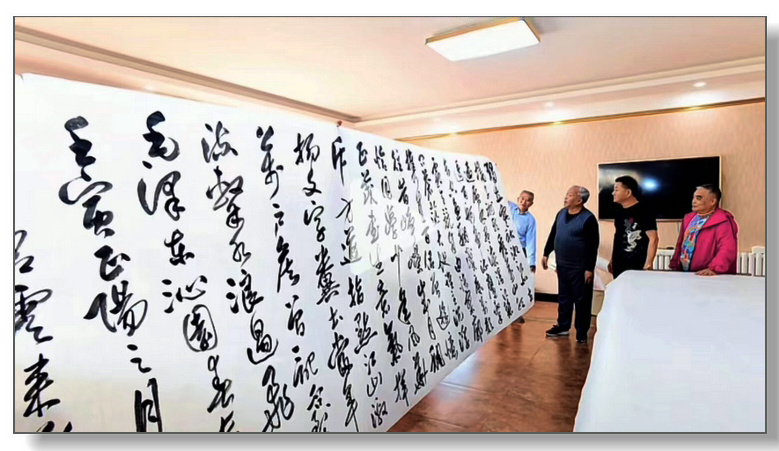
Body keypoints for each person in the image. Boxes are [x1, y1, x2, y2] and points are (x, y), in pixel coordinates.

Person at [541, 186, 599, 344]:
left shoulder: (588, 219)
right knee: (564, 298)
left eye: (570, 195)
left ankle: (581, 332)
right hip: (562, 264)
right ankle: (563, 326)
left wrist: (589, 268)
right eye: (567, 194)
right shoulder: (561, 213)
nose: (566, 197)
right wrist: (546, 253)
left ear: (579, 200)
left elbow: (592, 246)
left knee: (582, 301)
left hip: (580, 268)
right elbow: (554, 234)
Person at [669, 184, 738, 276]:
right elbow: (680, 243)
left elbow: (727, 248)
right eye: (693, 198)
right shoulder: (688, 218)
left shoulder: (722, 220)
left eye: (699, 198)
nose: (693, 201)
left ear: (712, 201)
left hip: (709, 276)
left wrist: (714, 269)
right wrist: (675, 264)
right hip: (686, 274)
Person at [609, 175, 659, 278]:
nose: (613, 193)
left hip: (638, 263)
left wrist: (648, 263)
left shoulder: (644, 210)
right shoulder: (618, 211)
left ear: (628, 192)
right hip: (619, 263)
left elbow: (653, 239)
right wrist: (612, 259)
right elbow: (618, 236)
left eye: (616, 190)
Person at [508, 191, 537, 324]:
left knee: (518, 283)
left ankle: (517, 313)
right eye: (522, 198)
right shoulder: (510, 208)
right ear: (518, 198)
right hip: (504, 251)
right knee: (503, 282)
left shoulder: (530, 220)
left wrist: (531, 263)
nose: (524, 202)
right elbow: (497, 197)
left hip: (519, 252)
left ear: (531, 203)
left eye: (528, 200)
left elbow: (531, 242)